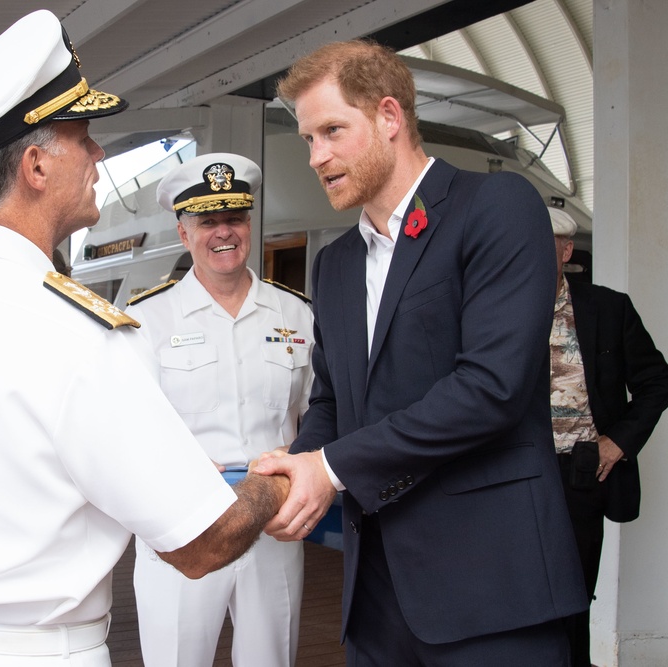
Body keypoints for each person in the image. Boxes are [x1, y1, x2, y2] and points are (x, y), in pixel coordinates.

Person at [0, 10, 290, 667]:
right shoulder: (77, 335)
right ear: (37, 165)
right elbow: (202, 543)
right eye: (84, 136)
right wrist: (274, 483)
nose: (99, 154)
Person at [252, 40, 588, 665]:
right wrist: (298, 469)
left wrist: (330, 468)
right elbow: (331, 402)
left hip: (490, 590)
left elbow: (491, 389)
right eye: (307, 139)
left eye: (331, 130)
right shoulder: (335, 265)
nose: (317, 156)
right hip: (375, 597)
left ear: (388, 117)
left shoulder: (497, 208)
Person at [126, 153, 314, 667]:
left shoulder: (296, 314)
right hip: (182, 522)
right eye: (207, 221)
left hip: (271, 521)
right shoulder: (145, 320)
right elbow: (127, 431)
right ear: (184, 234)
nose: (222, 233)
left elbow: (318, 412)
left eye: (233, 218)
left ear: (249, 225)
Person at [548, 206, 668, 666]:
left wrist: (617, 442)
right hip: (519, 472)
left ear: (566, 251)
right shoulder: (495, 309)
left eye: (546, 247)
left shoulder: (608, 308)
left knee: (575, 595)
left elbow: (657, 382)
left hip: (581, 474)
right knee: (519, 596)